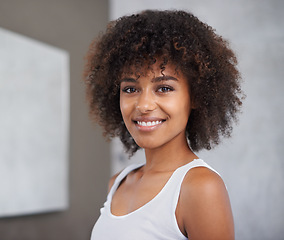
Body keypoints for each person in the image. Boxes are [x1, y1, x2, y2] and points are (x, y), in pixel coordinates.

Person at [84, 9, 243, 240]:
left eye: (164, 88)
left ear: (196, 96)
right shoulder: (118, 182)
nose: (144, 105)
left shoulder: (200, 187)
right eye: (130, 89)